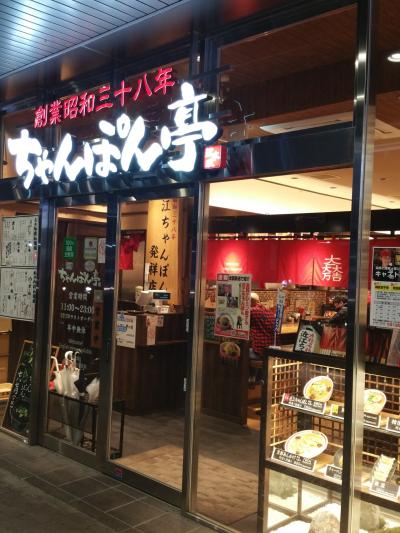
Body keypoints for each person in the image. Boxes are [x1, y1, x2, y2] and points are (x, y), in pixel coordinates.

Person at [249, 292, 276, 383]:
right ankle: (259, 378)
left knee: (244, 352)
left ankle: (251, 379)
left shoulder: (252, 311)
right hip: (271, 350)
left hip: (260, 351)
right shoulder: (268, 311)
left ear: (251, 301)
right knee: (254, 348)